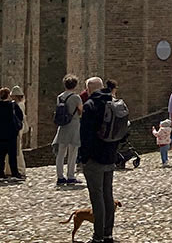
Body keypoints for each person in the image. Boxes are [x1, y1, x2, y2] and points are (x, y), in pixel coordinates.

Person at [79, 76, 123, 243]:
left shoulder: (90, 105)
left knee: (96, 197)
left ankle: (97, 236)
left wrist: (84, 156)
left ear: (89, 90)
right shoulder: (113, 102)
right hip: (110, 155)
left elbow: (86, 135)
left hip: (94, 158)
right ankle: (108, 233)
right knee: (108, 195)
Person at [54, 74, 83, 187]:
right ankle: (71, 175)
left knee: (61, 153)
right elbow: (80, 110)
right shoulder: (76, 97)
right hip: (74, 124)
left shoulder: (60, 96)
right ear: (75, 85)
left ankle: (60, 176)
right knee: (73, 152)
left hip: (63, 126)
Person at [0, 87, 23, 181]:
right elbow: (20, 117)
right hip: (11, 134)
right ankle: (14, 173)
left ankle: (0, 174)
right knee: (12, 155)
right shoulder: (13, 105)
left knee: (1, 155)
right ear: (8, 95)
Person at [8, 85, 27, 176]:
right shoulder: (20, 104)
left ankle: (19, 168)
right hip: (19, 127)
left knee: (17, 149)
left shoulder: (18, 105)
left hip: (17, 128)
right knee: (17, 149)